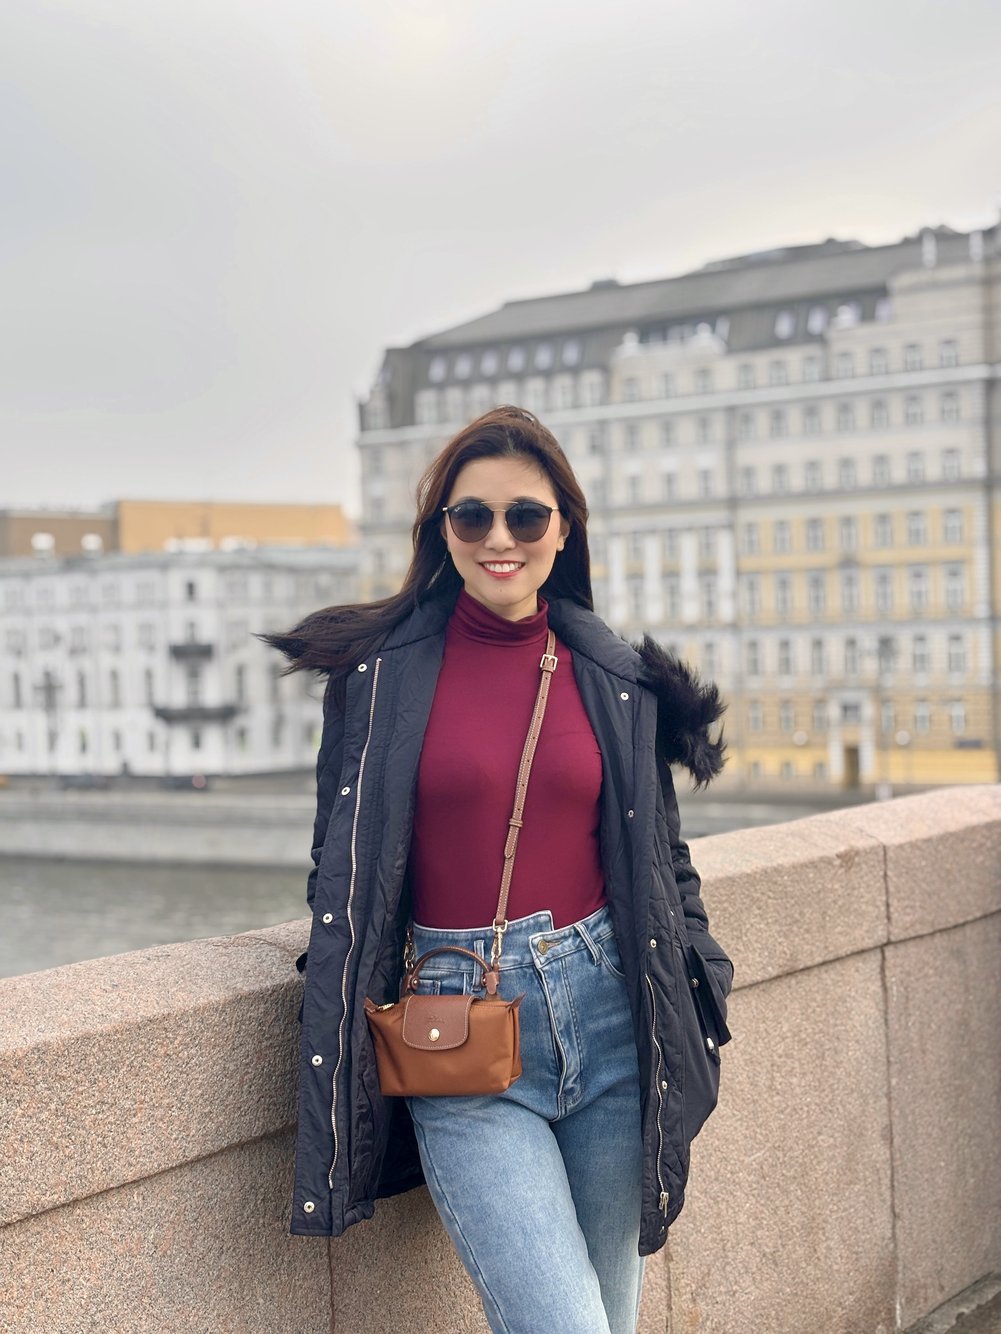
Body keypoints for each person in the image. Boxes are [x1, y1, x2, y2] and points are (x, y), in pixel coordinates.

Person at [264, 405, 732, 1334]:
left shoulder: (614, 676)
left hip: (611, 1018)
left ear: (563, 528)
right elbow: (339, 862)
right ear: (441, 532)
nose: (499, 538)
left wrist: (700, 969)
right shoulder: (376, 676)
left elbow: (661, 857)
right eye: (471, 515)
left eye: (525, 515)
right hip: (455, 1029)